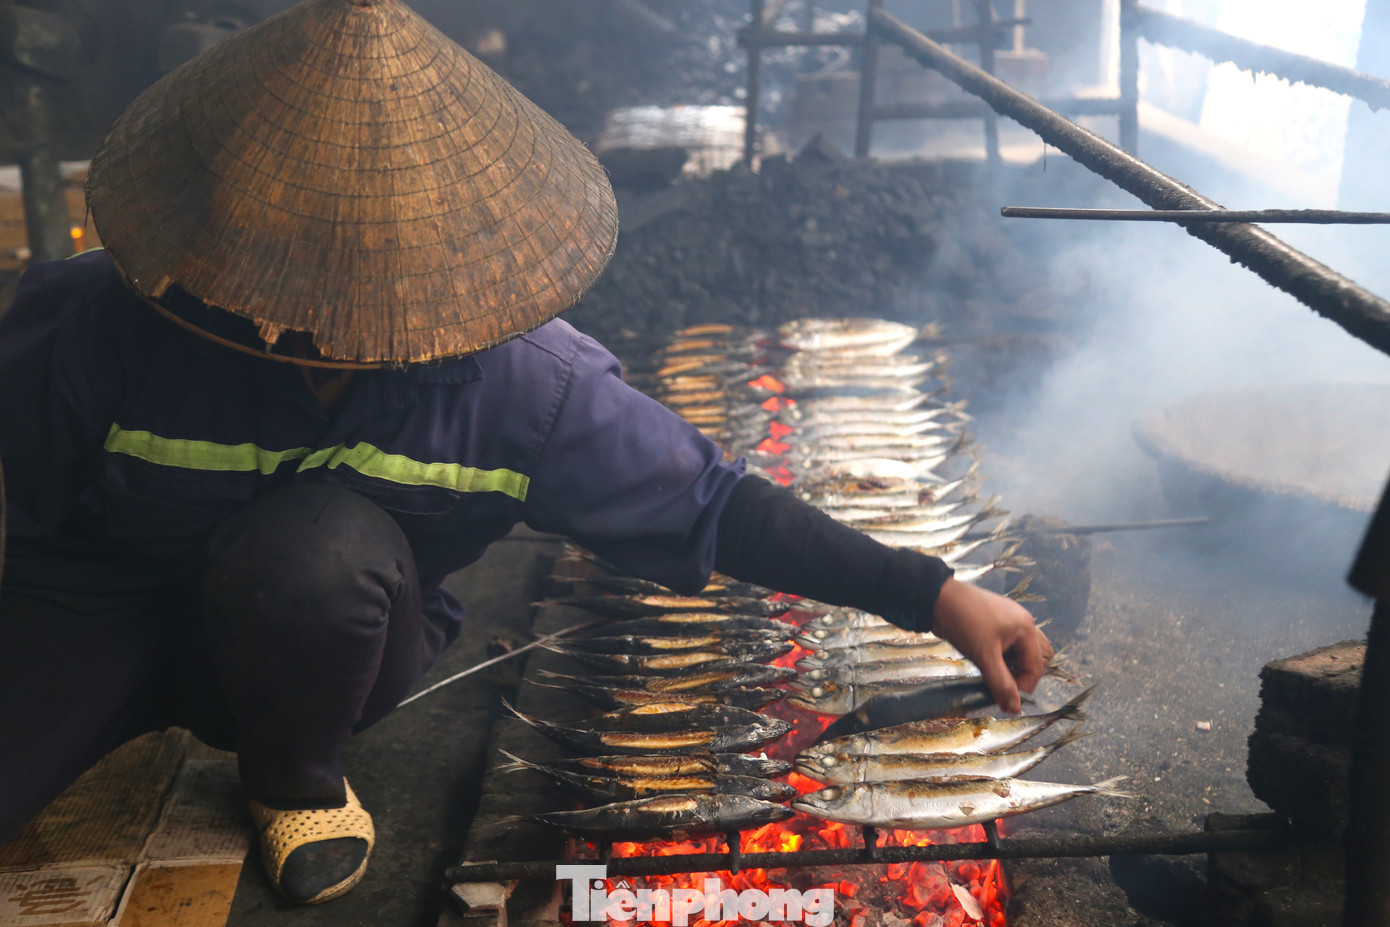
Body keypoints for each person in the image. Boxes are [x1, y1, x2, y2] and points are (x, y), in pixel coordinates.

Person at [0, 0, 1051, 906]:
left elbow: (713, 505)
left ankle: (294, 781)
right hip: (110, 606)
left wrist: (932, 595)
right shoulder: (96, 326)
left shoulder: (522, 385)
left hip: (316, 643)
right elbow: (41, 519)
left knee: (313, 548)